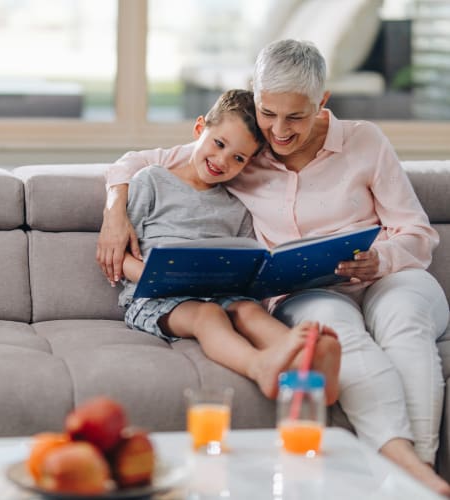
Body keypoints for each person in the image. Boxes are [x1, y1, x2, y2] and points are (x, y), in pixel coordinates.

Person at [96, 40, 450, 495]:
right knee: (337, 337)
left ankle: (417, 473)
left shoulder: (365, 140)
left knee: (403, 324)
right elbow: (143, 163)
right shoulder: (246, 150)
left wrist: (381, 258)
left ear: (321, 103)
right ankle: (411, 479)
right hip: (313, 291)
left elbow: (418, 234)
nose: (279, 131)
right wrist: (113, 210)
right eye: (268, 112)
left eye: (296, 117)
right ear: (255, 95)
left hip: (392, 276)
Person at [115, 88, 341, 401]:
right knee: (209, 315)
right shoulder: (151, 180)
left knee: (248, 310)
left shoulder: (236, 204)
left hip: (219, 292)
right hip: (155, 296)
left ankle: (308, 359)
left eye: (238, 158)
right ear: (199, 129)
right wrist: (155, 276)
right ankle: (259, 366)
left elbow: (248, 261)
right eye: (218, 144)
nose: (222, 161)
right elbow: (120, 256)